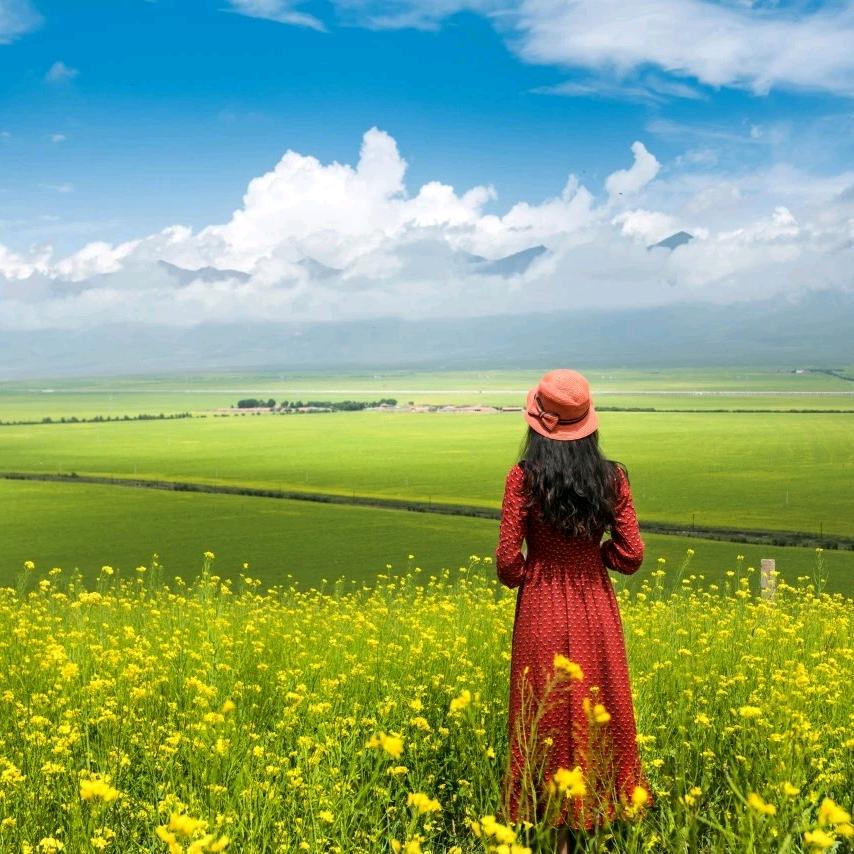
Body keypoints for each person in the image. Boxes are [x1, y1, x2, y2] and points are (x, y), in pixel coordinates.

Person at [495, 368, 653, 853]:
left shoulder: (523, 478)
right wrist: (595, 556)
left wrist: (535, 571)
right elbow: (632, 555)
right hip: (594, 608)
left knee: (543, 712)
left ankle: (554, 834)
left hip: (540, 607)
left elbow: (507, 563)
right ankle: (597, 821)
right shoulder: (613, 477)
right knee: (597, 707)